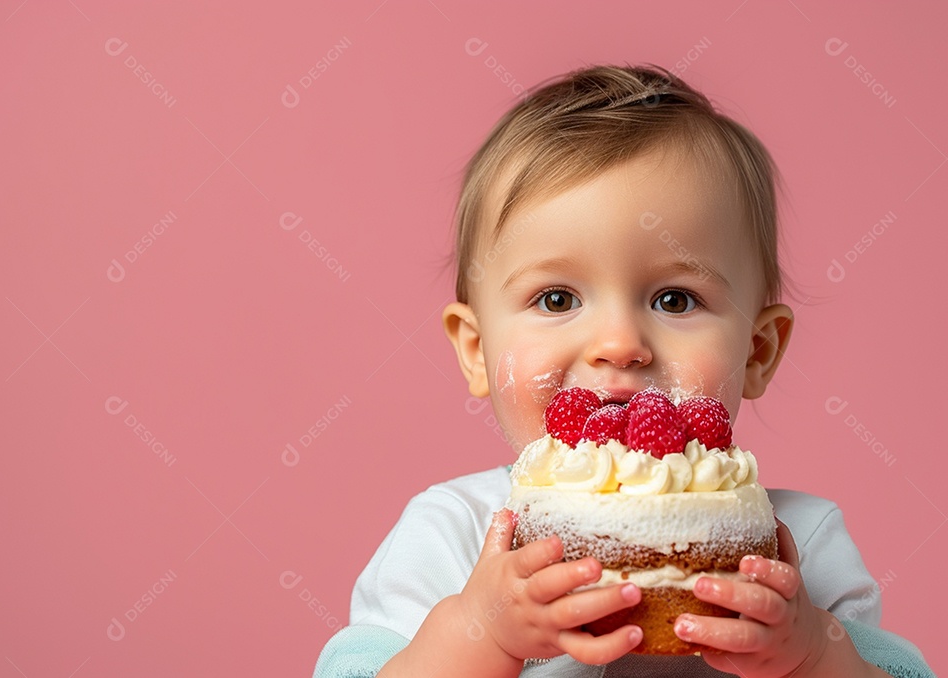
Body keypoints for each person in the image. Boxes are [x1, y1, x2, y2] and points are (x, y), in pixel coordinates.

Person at [314, 64, 933, 677]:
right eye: (557, 298)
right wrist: (478, 635)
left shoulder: (804, 544)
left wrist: (816, 654)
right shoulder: (449, 532)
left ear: (756, 350)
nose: (619, 345)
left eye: (675, 300)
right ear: (477, 350)